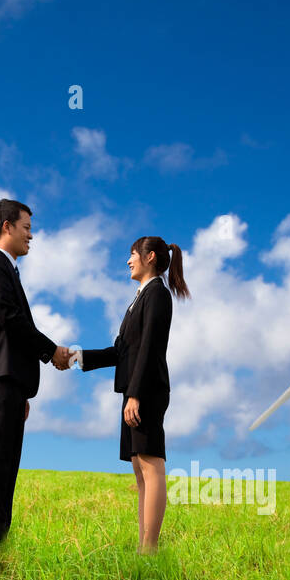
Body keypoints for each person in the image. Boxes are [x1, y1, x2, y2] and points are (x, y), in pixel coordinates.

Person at [0, 199, 72, 546]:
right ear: (7, 227)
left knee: (5, 467)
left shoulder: (6, 269)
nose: (31, 236)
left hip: (8, 383)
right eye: (26, 228)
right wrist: (50, 350)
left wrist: (23, 391)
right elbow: (11, 320)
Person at [73, 236, 190, 554]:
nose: (128, 261)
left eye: (132, 255)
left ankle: (149, 549)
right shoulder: (138, 300)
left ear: (149, 257)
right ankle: (144, 546)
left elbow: (150, 347)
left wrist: (136, 395)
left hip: (147, 390)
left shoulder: (157, 295)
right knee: (139, 467)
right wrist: (74, 358)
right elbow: (121, 352)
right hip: (135, 390)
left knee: (151, 465)